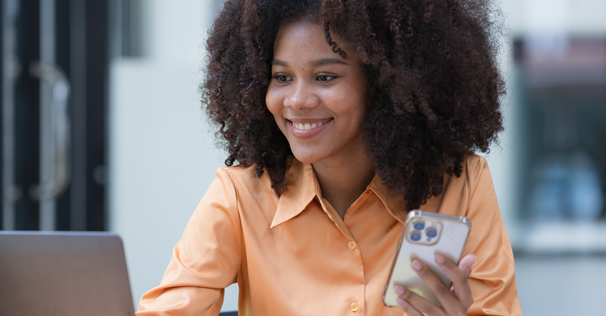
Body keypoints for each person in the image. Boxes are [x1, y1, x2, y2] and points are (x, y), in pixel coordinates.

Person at [137, 0, 521, 315]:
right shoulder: (239, 196)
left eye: (325, 77)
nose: (297, 100)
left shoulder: (461, 185)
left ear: (385, 84)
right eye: (282, 77)